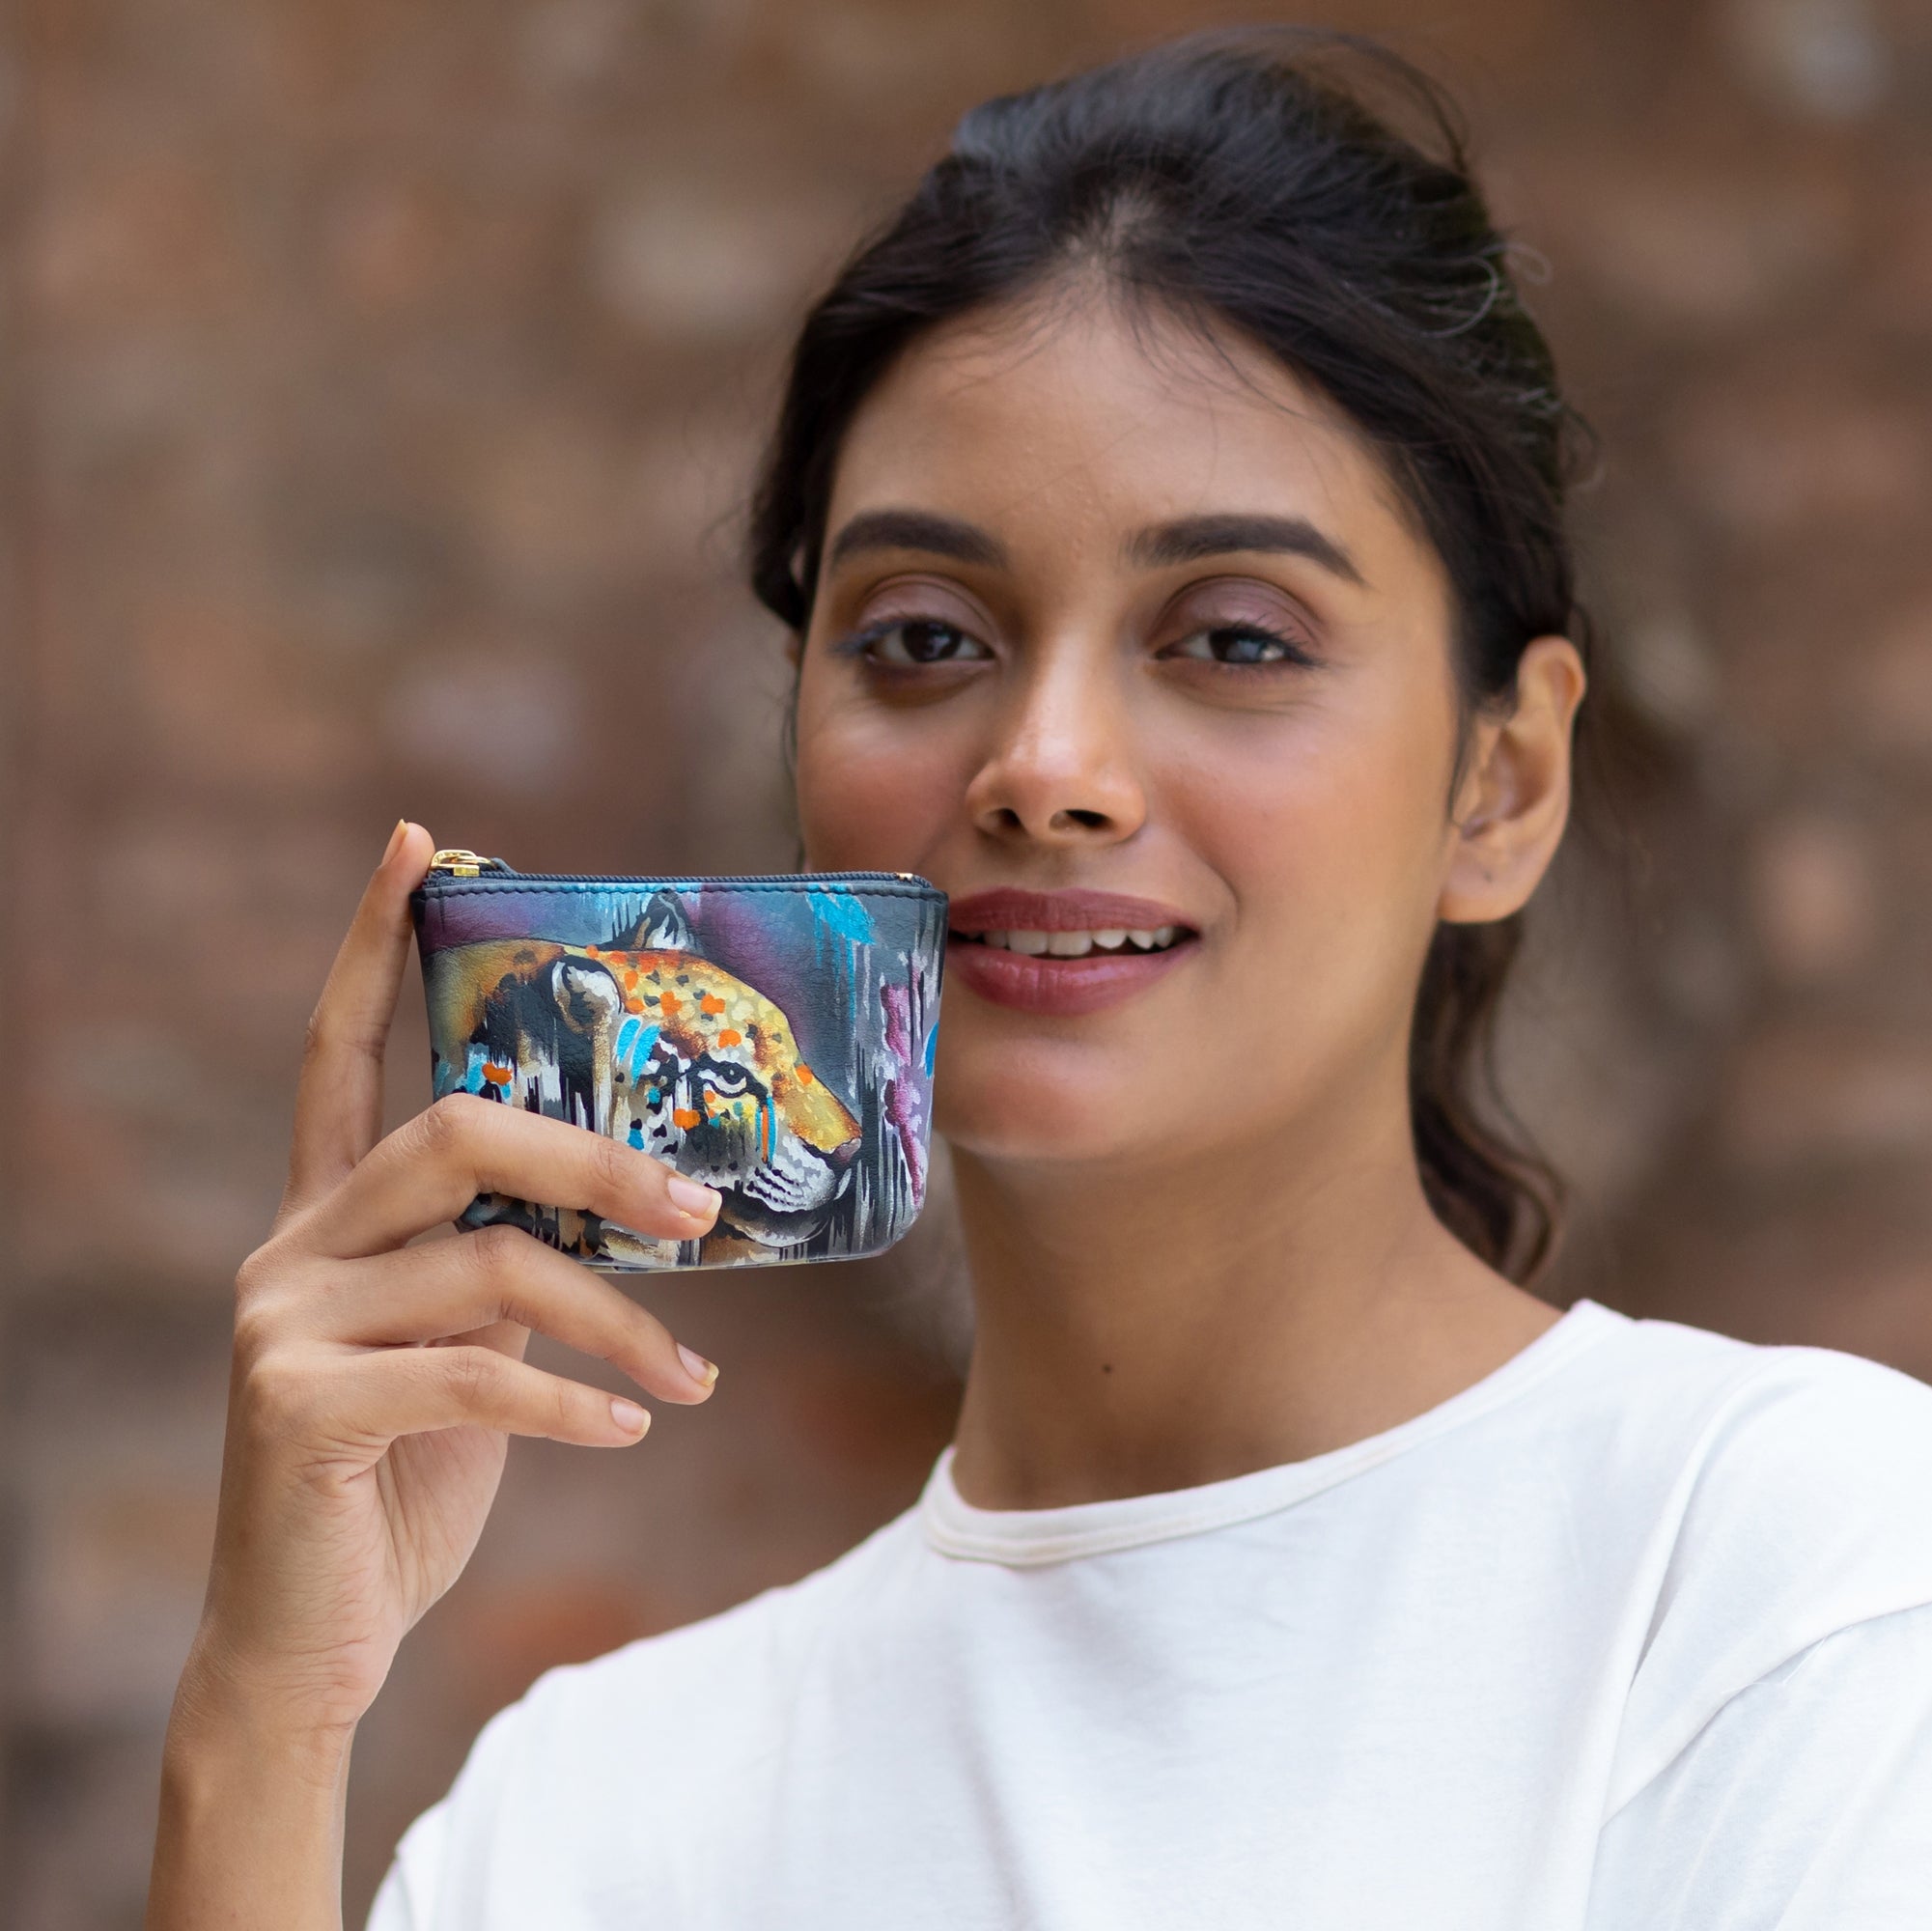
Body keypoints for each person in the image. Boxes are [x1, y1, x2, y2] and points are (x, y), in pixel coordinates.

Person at [147, 30, 1932, 1930]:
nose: (1045, 763)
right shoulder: (586, 1819)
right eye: (923, 635)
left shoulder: (1790, 1582)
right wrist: (265, 1714)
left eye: (1232, 639)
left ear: (1497, 782)